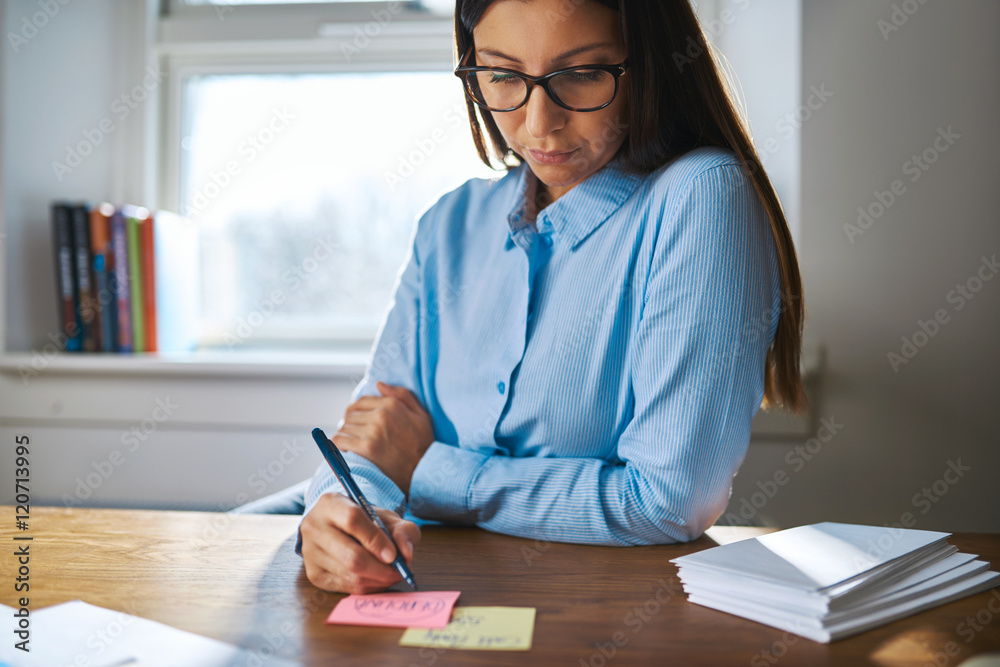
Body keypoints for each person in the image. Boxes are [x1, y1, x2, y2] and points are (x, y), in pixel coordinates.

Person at [298, 0, 806, 594]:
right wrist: (338, 510)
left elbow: (668, 501)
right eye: (504, 75)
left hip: (596, 609)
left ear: (651, 64)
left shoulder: (699, 197)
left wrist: (428, 470)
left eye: (581, 74)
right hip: (418, 585)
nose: (540, 123)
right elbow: (369, 437)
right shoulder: (450, 222)